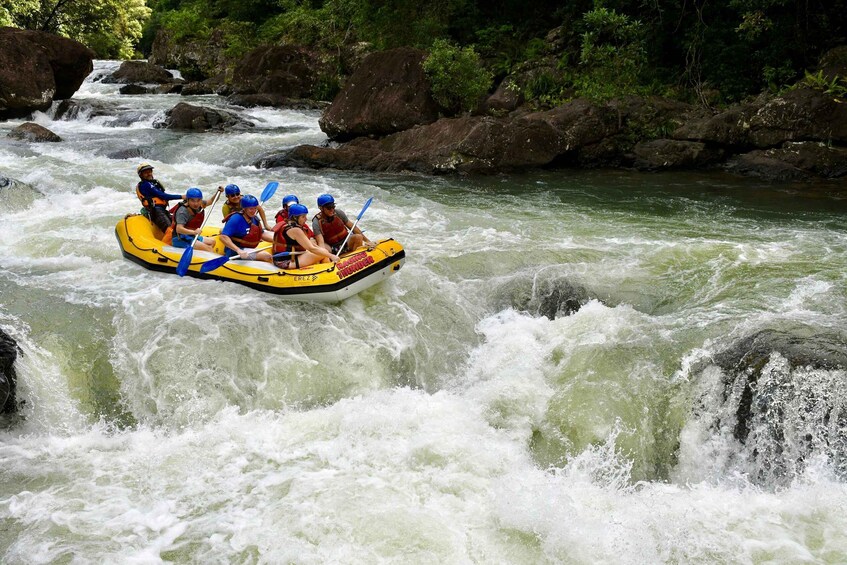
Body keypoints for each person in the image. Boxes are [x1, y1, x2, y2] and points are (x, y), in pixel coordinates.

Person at [275, 203, 339, 268]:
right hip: (285, 262)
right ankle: (329, 269)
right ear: (295, 217)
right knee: (324, 252)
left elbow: (309, 243)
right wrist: (332, 256)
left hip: (287, 258)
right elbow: (311, 248)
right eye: (303, 217)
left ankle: (327, 268)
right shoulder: (296, 230)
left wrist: (321, 250)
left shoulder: (287, 225)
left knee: (322, 252)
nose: (306, 219)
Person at [219, 194, 274, 262]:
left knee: (274, 236)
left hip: (248, 249)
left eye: (255, 208)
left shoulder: (254, 219)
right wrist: (238, 250)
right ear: (244, 208)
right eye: (251, 208)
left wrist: (277, 240)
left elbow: (262, 234)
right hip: (234, 251)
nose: (254, 211)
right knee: (267, 256)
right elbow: (223, 237)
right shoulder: (236, 219)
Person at [135, 163, 185, 233]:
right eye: (146, 173)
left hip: (161, 210)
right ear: (141, 175)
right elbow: (164, 196)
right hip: (156, 211)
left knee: (177, 227)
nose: (149, 174)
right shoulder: (145, 185)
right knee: (170, 231)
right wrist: (182, 196)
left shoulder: (153, 183)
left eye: (150, 171)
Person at [170, 187, 223, 252]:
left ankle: (199, 256)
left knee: (212, 242)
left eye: (198, 200)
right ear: (188, 200)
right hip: (180, 238)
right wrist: (194, 232)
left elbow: (212, 200)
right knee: (209, 249)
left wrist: (218, 192)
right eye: (192, 200)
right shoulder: (182, 211)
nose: (196, 203)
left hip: (190, 236)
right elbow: (179, 229)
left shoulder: (200, 204)